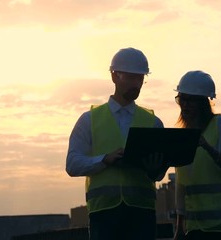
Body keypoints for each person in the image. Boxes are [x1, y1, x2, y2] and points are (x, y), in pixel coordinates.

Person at [66, 47, 168, 240]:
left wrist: (154, 170)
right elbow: (72, 164)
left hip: (142, 214)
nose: (136, 84)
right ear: (114, 77)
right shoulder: (89, 120)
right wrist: (105, 159)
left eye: (140, 78)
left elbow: (159, 172)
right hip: (104, 214)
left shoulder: (153, 122)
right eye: (130, 78)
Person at [173, 70, 221, 240]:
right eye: (182, 99)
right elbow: (181, 185)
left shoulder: (218, 124)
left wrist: (208, 148)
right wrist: (179, 226)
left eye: (191, 101)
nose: (185, 105)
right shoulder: (182, 136)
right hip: (195, 225)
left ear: (203, 103)